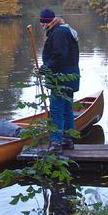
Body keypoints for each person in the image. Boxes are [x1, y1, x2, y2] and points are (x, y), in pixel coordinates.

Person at [38, 8, 80, 153]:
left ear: (46, 22)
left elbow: (59, 54)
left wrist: (45, 67)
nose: (41, 26)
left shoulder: (59, 32)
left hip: (60, 78)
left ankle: (56, 143)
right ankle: (68, 140)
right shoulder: (63, 30)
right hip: (70, 76)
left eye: (41, 22)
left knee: (56, 109)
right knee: (67, 108)